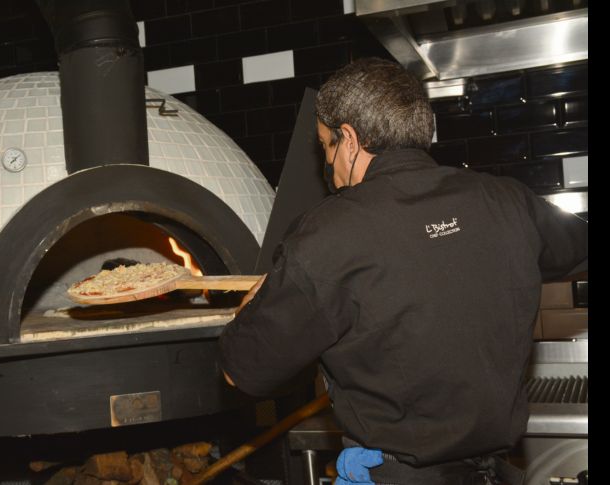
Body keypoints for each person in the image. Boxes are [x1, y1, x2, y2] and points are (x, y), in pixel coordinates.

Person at [217, 57, 588, 485]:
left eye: (326, 147)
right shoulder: (507, 200)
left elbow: (242, 370)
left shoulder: (327, 235)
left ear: (350, 140)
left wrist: (255, 301)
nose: (331, 170)